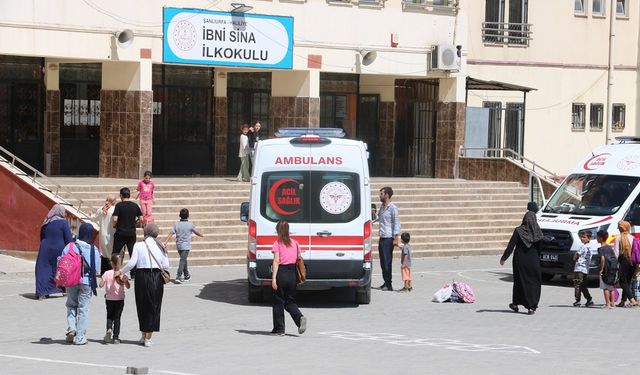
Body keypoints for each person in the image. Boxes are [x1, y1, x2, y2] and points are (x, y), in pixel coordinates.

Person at [116, 224, 169, 347]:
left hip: (141, 277)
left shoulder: (138, 245)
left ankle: (143, 334)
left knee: (142, 305)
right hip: (156, 277)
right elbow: (166, 265)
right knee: (154, 306)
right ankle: (148, 338)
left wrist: (121, 271)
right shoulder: (161, 246)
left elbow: (132, 263)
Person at [500, 202, 544, 315]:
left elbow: (511, 245)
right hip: (533, 261)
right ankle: (531, 307)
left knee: (519, 282)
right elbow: (540, 249)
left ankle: (515, 304)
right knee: (534, 283)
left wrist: (504, 258)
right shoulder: (538, 233)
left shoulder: (518, 230)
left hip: (520, 261)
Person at [62, 223, 101, 345]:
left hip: (71, 281)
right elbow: (97, 270)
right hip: (86, 282)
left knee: (71, 304)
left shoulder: (70, 246)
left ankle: (71, 328)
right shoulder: (94, 249)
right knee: (83, 309)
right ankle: (80, 337)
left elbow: (62, 261)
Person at [271, 220, 306, 336]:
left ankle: (279, 329)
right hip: (292, 275)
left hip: (282, 273)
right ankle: (299, 317)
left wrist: (274, 278)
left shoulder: (277, 243)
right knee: (290, 301)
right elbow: (299, 257)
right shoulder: (295, 243)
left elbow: (276, 261)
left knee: (278, 302)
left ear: (278, 231)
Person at [35, 204, 73, 300]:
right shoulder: (63, 223)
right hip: (59, 248)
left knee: (43, 269)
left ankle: (42, 293)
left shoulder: (46, 222)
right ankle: (63, 290)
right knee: (61, 269)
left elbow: (42, 236)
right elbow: (68, 238)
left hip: (45, 248)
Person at [163, 208, 204, 284]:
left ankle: (186, 275)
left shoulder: (176, 224)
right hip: (186, 246)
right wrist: (202, 235)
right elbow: (196, 232)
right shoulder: (190, 225)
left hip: (179, 245)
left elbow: (171, 234)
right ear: (188, 216)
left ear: (179, 215)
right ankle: (178, 276)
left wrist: (166, 242)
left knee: (183, 259)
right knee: (182, 260)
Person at [112, 187, 143, 278]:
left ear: (121, 196)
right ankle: (134, 274)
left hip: (120, 233)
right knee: (132, 253)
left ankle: (115, 271)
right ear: (129, 195)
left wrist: (114, 225)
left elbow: (115, 219)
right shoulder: (135, 206)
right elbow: (141, 219)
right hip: (131, 233)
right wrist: (135, 223)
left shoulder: (118, 206)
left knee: (116, 253)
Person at [99, 253, 130, 344]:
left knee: (109, 316)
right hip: (120, 299)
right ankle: (116, 337)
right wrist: (125, 281)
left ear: (111, 263)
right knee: (117, 318)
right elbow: (128, 286)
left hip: (109, 299)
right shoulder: (123, 273)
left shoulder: (107, 273)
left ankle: (109, 329)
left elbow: (100, 285)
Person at [377, 186, 401, 291]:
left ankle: (389, 284)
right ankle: (385, 281)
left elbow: (396, 223)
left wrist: (396, 238)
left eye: (381, 193)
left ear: (387, 195)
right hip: (382, 237)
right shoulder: (381, 207)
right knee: (382, 262)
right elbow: (377, 218)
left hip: (388, 238)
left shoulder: (393, 208)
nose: (380, 195)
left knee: (387, 261)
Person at [614, 220, 638, 307]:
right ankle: (623, 301)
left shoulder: (618, 238)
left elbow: (616, 254)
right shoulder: (633, 238)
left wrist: (613, 264)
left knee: (622, 282)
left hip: (623, 261)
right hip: (633, 262)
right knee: (627, 282)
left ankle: (632, 300)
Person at [92, 194, 116, 275]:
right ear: (114, 201)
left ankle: (103, 272)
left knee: (103, 253)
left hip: (102, 234)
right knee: (110, 254)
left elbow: (94, 218)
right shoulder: (115, 210)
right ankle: (111, 272)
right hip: (112, 234)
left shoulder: (101, 209)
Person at [572, 230, 594, 307]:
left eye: (584, 237)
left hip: (579, 269)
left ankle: (577, 300)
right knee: (583, 285)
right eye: (581, 237)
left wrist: (575, 257)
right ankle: (589, 299)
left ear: (589, 238)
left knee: (577, 284)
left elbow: (576, 255)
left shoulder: (583, 247)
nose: (582, 238)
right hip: (585, 269)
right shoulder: (591, 247)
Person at [597, 230, 616, 309]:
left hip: (606, 269)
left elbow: (602, 259)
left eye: (597, 237)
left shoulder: (601, 249)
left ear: (601, 238)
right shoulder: (609, 247)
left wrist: (601, 269)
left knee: (605, 287)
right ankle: (613, 303)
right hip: (612, 269)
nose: (596, 238)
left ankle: (607, 304)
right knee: (611, 287)